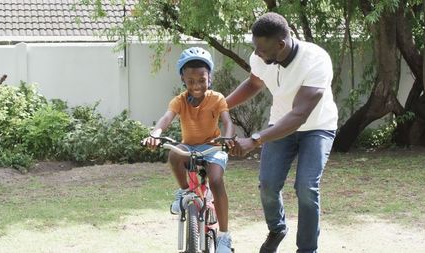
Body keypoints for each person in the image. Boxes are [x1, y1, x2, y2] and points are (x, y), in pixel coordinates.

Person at [226, 12, 338, 253]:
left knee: (306, 187)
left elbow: (299, 115)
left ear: (281, 44)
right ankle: (277, 229)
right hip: (279, 125)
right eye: (255, 48)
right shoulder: (262, 57)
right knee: (267, 184)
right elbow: (254, 83)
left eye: (262, 50)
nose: (256, 54)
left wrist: (255, 140)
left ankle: (307, 249)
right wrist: (220, 107)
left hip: (317, 127)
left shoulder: (316, 60)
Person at [143, 47, 235, 253]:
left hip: (212, 146)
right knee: (174, 152)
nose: (197, 86)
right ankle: (184, 190)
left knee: (216, 180)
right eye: (191, 81)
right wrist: (156, 133)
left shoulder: (217, 98)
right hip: (189, 145)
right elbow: (166, 118)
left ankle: (224, 237)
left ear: (209, 77)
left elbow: (228, 122)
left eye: (202, 80)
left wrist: (227, 138)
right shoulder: (179, 101)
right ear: (183, 80)